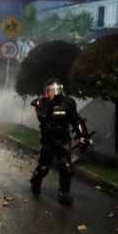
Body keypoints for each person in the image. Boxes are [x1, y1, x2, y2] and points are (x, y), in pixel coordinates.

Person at [29, 78, 91, 206]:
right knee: (43, 168)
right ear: (46, 92)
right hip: (48, 140)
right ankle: (35, 181)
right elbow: (42, 116)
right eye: (52, 91)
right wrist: (51, 105)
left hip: (63, 140)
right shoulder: (40, 103)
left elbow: (76, 120)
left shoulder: (68, 103)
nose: (55, 93)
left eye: (57, 90)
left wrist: (82, 135)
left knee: (67, 168)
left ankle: (64, 193)